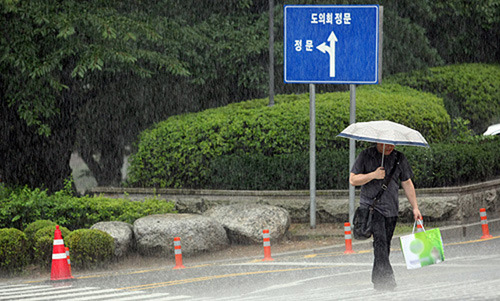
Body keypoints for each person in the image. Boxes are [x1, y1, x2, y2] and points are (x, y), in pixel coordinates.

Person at [349, 143, 422, 291]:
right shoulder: (366, 155)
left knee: (384, 246)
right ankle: (386, 281)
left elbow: (407, 182)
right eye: (386, 144)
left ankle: (378, 279)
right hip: (372, 208)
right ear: (378, 142)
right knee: (380, 243)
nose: (390, 147)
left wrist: (415, 207)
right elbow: (353, 180)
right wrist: (373, 175)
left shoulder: (399, 158)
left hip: (391, 209)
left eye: (392, 144)